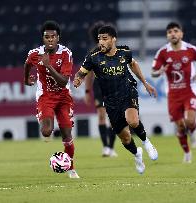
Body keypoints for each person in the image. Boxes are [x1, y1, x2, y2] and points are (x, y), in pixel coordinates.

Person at [73, 25, 158, 174]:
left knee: (133, 121)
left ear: (113, 39)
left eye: (105, 39)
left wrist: (145, 83)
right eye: (99, 39)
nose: (101, 42)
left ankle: (146, 142)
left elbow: (134, 64)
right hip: (110, 100)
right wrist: (78, 79)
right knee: (125, 138)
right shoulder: (94, 57)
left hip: (128, 91)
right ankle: (137, 154)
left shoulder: (124, 52)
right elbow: (81, 73)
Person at [24, 20, 79, 178]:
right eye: (46, 37)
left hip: (63, 97)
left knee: (66, 134)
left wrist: (48, 66)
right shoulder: (35, 53)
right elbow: (27, 64)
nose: (50, 39)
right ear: (43, 38)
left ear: (58, 38)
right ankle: (43, 117)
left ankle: (71, 168)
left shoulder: (66, 53)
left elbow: (63, 81)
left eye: (53, 36)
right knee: (47, 131)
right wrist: (26, 79)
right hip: (45, 96)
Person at [151, 22, 196, 163]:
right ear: (167, 35)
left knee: (190, 120)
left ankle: (193, 132)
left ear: (181, 33)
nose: (173, 34)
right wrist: (159, 71)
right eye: (170, 32)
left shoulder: (190, 49)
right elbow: (153, 73)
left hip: (189, 91)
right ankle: (187, 153)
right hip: (173, 95)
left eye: (176, 31)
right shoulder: (163, 52)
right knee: (180, 126)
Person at [84, 21, 117, 157]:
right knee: (102, 116)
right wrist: (87, 91)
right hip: (99, 88)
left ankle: (111, 147)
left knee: (114, 118)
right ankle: (105, 147)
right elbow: (88, 74)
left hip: (114, 87)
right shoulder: (93, 54)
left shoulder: (115, 51)